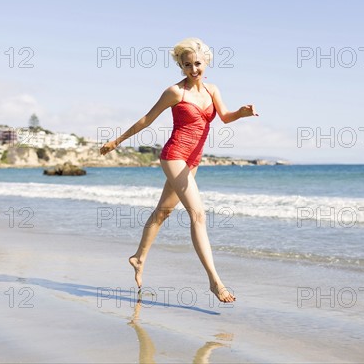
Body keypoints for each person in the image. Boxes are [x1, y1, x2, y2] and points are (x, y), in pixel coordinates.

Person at [100, 37, 258, 303]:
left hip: (193, 161)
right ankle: (215, 282)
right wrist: (117, 140)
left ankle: (138, 258)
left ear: (205, 62)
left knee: (163, 211)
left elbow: (225, 117)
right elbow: (146, 120)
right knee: (198, 214)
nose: (193, 69)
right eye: (187, 65)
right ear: (181, 67)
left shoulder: (212, 90)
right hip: (174, 156)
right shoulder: (175, 92)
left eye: (197, 63)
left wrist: (241, 113)